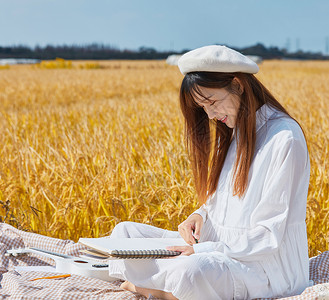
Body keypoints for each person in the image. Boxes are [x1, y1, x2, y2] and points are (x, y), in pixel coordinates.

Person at [109, 45, 310, 300]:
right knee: (124, 234)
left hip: (263, 268)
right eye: (203, 107)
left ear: (237, 84)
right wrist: (199, 214)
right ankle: (161, 288)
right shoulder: (232, 132)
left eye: (212, 102)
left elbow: (268, 236)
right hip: (217, 250)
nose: (211, 115)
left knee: (190, 271)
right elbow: (221, 201)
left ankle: (149, 287)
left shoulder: (284, 139)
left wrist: (204, 250)